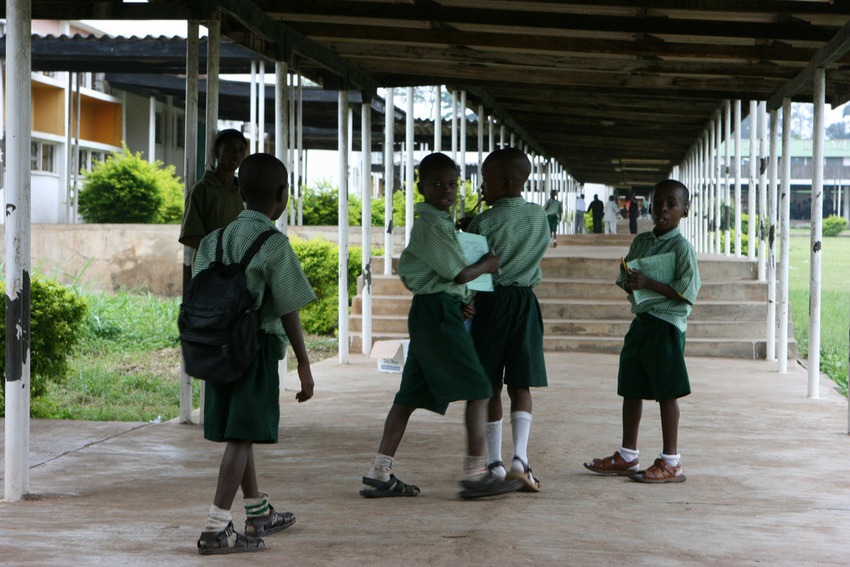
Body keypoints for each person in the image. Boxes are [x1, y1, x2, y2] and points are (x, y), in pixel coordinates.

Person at [360, 152, 522, 500]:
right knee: (480, 388)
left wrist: (458, 298)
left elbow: (446, 277)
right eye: (437, 184)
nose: (446, 190)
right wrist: (488, 265)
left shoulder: (440, 223)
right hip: (437, 314)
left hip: (435, 309)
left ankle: (379, 471)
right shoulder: (432, 225)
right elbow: (460, 274)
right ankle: (476, 474)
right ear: (421, 188)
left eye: (452, 184)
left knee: (408, 397)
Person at [195, 153, 316, 554]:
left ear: (239, 191)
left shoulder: (214, 240)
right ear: (283, 195)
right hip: (254, 350)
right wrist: (303, 363)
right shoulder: (273, 244)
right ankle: (215, 528)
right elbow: (288, 307)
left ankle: (258, 510)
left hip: (216, 349)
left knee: (239, 430)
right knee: (241, 435)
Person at [583, 179, 700, 484]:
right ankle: (627, 455)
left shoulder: (682, 248)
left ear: (685, 211)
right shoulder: (642, 242)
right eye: (657, 202)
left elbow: (687, 292)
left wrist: (649, 283)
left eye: (671, 204)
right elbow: (628, 278)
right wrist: (630, 281)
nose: (663, 209)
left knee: (667, 391)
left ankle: (671, 461)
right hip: (642, 321)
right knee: (631, 386)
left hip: (667, 325)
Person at [466, 148, 550, 492]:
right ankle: (520, 459)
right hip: (525, 303)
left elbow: (473, 269)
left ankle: (494, 463)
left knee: (489, 385)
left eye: (486, 180)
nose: (481, 187)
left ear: (506, 183)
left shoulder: (483, 222)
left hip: (490, 304)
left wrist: (468, 233)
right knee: (521, 383)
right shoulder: (539, 216)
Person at [179, 129, 249, 250]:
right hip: (213, 262)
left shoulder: (243, 190)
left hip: (237, 261)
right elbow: (189, 236)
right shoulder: (201, 190)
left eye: (241, 150)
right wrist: (222, 252)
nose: (236, 154)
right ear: (216, 152)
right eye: (230, 149)